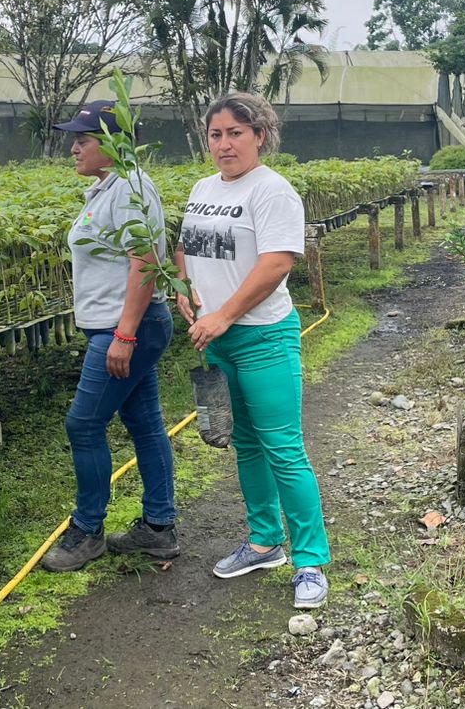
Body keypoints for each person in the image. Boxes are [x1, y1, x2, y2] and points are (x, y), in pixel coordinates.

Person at [175, 92, 331, 610]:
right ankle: (265, 542)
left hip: (263, 337)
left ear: (260, 136)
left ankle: (311, 561)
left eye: (235, 133)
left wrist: (224, 314)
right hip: (218, 340)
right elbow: (186, 246)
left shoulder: (272, 191)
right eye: (215, 135)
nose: (224, 144)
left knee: (283, 447)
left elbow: (277, 263)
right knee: (245, 443)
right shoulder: (203, 188)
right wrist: (183, 288)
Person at [40, 100, 180, 572]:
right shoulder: (109, 188)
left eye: (83, 139)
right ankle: (159, 528)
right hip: (120, 326)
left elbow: (145, 262)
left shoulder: (130, 188)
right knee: (144, 423)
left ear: (115, 144)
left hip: (127, 328)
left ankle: (87, 531)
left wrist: (124, 334)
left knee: (83, 425)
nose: (74, 147)